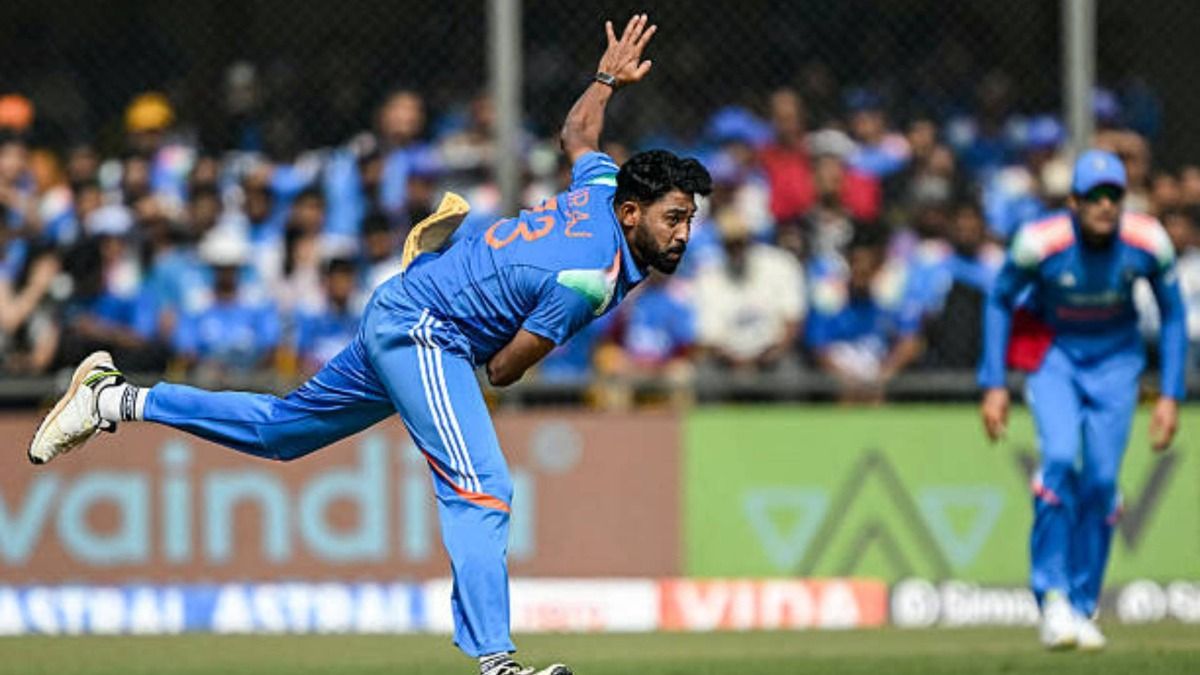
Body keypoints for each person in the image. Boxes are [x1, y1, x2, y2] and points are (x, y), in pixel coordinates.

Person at [28, 15, 709, 675]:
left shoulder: (598, 190)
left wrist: (605, 80)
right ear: (631, 212)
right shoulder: (590, 277)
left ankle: (115, 397)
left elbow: (578, 130)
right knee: (482, 487)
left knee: (280, 432)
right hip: (426, 330)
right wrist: (506, 318)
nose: (681, 234)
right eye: (672, 217)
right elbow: (501, 370)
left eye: (689, 219)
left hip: (403, 308)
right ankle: (497, 662)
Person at [978, 149, 1185, 651]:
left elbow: (1173, 316)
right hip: (1056, 359)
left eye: (1113, 195)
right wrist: (994, 383)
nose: (1105, 206)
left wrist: (1171, 394)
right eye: (1093, 196)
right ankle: (1050, 598)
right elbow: (1000, 299)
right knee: (1060, 459)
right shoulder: (1038, 243)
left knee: (1102, 483)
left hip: (1118, 365)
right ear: (1073, 201)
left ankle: (1082, 605)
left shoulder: (1148, 241)